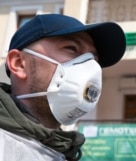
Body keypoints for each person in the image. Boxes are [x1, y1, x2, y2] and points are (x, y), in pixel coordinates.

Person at [0, 14, 126, 161]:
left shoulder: (62, 150)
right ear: (19, 64)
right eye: (71, 48)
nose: (89, 66)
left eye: (93, 58)